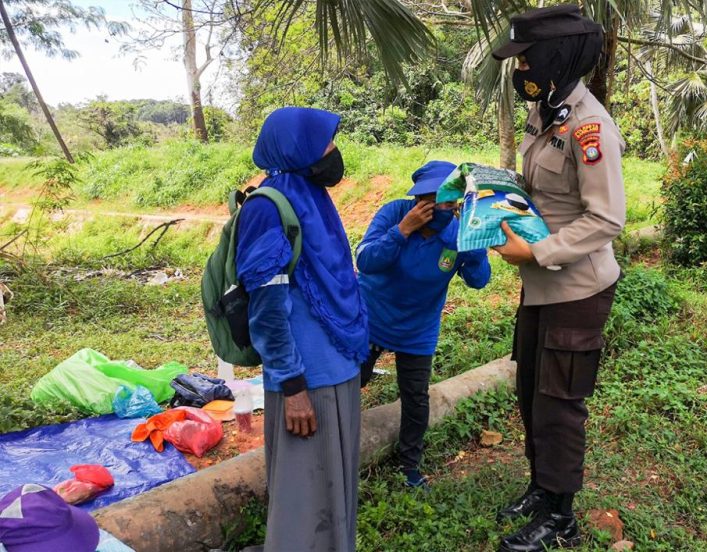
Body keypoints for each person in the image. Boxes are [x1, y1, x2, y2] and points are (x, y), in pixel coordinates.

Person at [490, 5, 626, 551]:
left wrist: (538, 249)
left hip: (577, 288)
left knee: (559, 402)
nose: (519, 69)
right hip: (541, 286)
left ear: (554, 56)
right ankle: (541, 490)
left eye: (525, 58)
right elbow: (544, 194)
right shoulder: (550, 113)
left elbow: (607, 219)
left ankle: (561, 517)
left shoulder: (591, 127)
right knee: (530, 391)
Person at [236, 107, 369, 551]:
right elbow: (267, 310)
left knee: (335, 489)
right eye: (325, 143)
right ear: (298, 148)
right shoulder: (267, 207)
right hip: (306, 380)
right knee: (304, 497)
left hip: (338, 367)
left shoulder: (313, 198)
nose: (333, 152)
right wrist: (292, 386)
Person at [356, 160, 491, 488]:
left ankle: (410, 467)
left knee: (415, 397)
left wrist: (472, 250)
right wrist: (402, 231)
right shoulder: (394, 213)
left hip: (417, 328)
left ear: (456, 201)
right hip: (371, 316)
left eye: (444, 200)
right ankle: (333, 446)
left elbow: (479, 280)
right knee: (350, 381)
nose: (435, 207)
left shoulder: (458, 233)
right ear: (416, 199)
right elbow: (366, 261)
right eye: (428, 199)